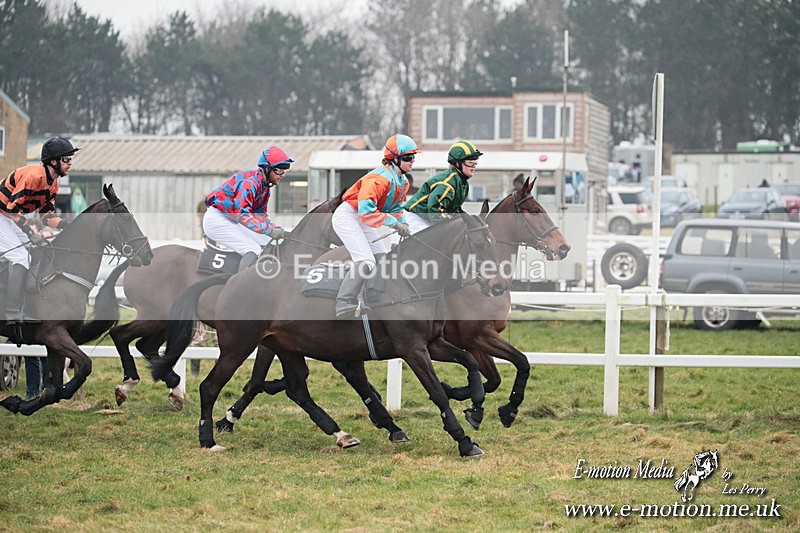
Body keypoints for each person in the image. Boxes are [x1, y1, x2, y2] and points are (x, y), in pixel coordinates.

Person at [0, 136, 77, 346]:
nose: (70, 163)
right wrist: (29, 230)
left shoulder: (53, 183)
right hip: (2, 214)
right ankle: (13, 312)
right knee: (20, 255)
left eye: (70, 159)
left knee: (33, 251)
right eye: (66, 159)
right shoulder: (34, 176)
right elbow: (11, 209)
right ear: (53, 161)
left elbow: (45, 216)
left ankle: (24, 305)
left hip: (10, 217)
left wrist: (66, 224)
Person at [331, 134, 418, 317]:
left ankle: (371, 297)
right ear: (394, 159)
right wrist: (395, 224)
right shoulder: (379, 179)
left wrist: (402, 223)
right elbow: (366, 212)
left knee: (381, 258)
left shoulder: (402, 182)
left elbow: (395, 208)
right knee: (366, 261)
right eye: (408, 157)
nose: (412, 161)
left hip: (360, 218)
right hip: (348, 216)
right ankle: (344, 302)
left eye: (413, 157)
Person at [203, 145, 292, 272]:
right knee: (253, 249)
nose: (283, 175)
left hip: (232, 219)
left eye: (285, 171)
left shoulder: (265, 188)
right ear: (267, 169)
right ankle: (239, 287)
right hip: (218, 219)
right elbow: (243, 215)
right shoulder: (249, 183)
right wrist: (269, 230)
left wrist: (279, 230)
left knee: (267, 242)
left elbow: (260, 217)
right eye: (279, 170)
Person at [403, 140, 482, 233]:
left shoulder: (463, 184)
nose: (473, 166)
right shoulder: (447, 184)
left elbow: (454, 211)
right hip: (415, 218)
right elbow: (434, 210)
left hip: (428, 219)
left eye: (475, 162)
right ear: (457, 163)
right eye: (469, 162)